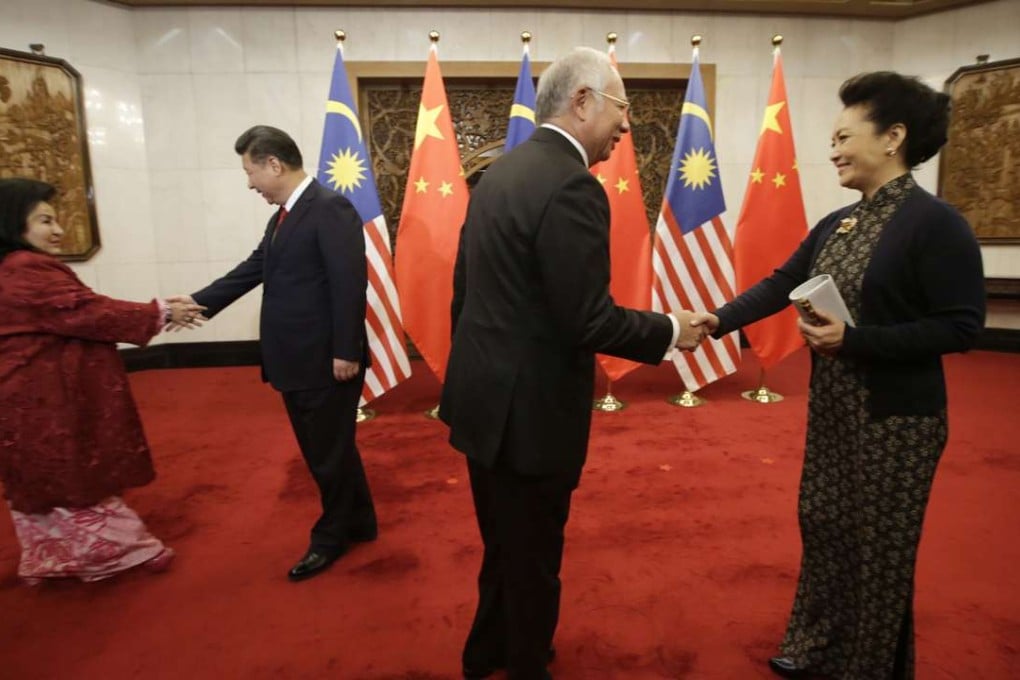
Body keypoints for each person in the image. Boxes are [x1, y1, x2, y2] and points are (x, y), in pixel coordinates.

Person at [692, 72, 986, 679]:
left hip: (897, 420)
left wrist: (855, 341)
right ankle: (816, 644)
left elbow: (960, 328)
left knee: (879, 550)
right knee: (826, 527)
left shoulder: (937, 224)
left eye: (843, 137)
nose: (832, 151)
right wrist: (718, 320)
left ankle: (868, 667)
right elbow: (782, 282)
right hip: (834, 411)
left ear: (893, 138)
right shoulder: (837, 223)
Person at [439, 47, 704, 680]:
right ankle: (525, 663)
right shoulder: (573, 186)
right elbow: (587, 320)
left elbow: (464, 296)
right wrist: (672, 329)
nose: (627, 125)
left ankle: (487, 652)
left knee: (503, 544)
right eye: (621, 107)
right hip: (531, 418)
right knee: (534, 556)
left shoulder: (498, 173)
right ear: (582, 101)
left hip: (483, 404)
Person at [171, 125, 374, 582]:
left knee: (326, 454)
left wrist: (346, 351)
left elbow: (349, 284)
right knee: (332, 449)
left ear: (274, 165)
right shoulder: (285, 215)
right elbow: (255, 267)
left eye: (250, 172)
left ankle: (331, 538)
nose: (249, 184)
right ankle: (361, 522)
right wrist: (198, 302)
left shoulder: (329, 208)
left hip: (324, 360)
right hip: (297, 358)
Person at [0, 177, 204, 583]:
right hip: (42, 399)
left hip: (25, 394)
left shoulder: (11, 267)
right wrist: (160, 313)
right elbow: (85, 311)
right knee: (69, 472)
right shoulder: (25, 268)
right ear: (12, 222)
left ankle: (56, 557)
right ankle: (123, 551)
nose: (58, 230)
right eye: (45, 221)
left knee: (42, 474)